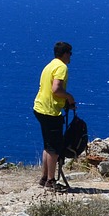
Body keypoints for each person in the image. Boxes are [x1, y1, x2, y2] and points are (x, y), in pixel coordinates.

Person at [33, 41, 76, 191]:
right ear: (65, 54)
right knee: (55, 148)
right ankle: (51, 181)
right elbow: (56, 89)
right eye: (70, 53)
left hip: (40, 108)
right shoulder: (61, 67)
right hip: (51, 111)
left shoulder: (50, 65)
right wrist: (69, 97)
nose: (71, 56)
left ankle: (44, 177)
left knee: (48, 145)